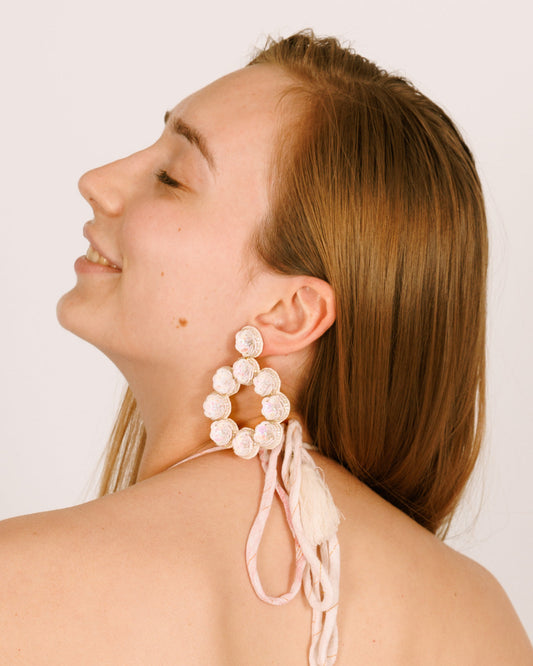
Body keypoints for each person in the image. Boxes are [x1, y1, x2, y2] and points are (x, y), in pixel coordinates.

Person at [1, 29, 532, 665]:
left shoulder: (20, 585)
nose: (98, 181)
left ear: (290, 311)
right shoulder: (478, 617)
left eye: (170, 177)